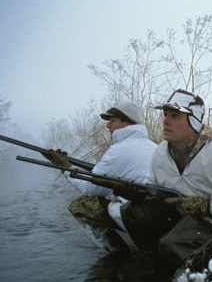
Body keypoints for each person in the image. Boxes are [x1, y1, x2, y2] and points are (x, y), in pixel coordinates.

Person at [114, 89, 212, 275]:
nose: (165, 120)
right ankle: (158, 267)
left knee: (173, 244)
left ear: (194, 122)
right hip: (182, 220)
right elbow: (153, 190)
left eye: (175, 116)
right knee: (132, 212)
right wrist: (137, 196)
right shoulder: (160, 153)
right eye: (165, 114)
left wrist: (207, 205)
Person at [44, 100, 158, 255]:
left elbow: (90, 188)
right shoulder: (154, 147)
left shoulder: (119, 150)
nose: (108, 126)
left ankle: (119, 255)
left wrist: (65, 168)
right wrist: (71, 164)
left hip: (138, 218)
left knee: (82, 205)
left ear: (127, 123)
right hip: (158, 217)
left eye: (113, 121)